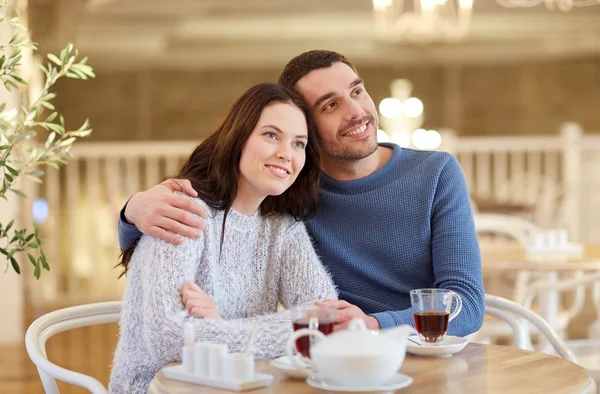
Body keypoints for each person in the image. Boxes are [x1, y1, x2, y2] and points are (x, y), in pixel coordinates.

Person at [118, 50, 485, 337]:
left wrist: (375, 324)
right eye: (331, 105)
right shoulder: (289, 190)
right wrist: (132, 213)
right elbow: (183, 236)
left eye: (357, 91)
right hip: (331, 361)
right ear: (305, 127)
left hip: (421, 350)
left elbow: (466, 304)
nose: (357, 112)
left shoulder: (437, 172)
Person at [109, 83, 338, 394]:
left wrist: (218, 329)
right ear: (238, 139)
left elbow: (325, 320)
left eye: (299, 144)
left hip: (241, 386)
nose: (286, 153)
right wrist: (258, 332)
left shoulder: (283, 228)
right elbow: (167, 341)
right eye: (271, 135)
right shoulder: (182, 209)